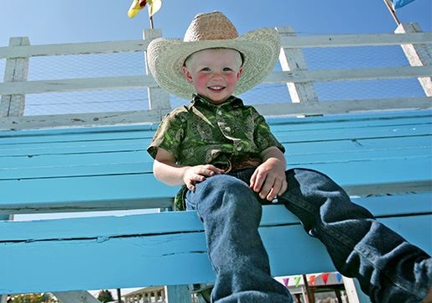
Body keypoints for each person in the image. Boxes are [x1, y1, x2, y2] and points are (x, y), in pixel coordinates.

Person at [146, 11, 432, 303]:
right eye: (205, 69)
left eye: (227, 70)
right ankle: (249, 297)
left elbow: (271, 150)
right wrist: (184, 174)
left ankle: (407, 278)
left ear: (239, 74)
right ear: (187, 73)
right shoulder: (179, 119)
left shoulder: (249, 115)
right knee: (229, 193)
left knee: (313, 183)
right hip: (211, 183)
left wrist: (273, 164)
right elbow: (161, 165)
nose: (217, 77)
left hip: (261, 178)